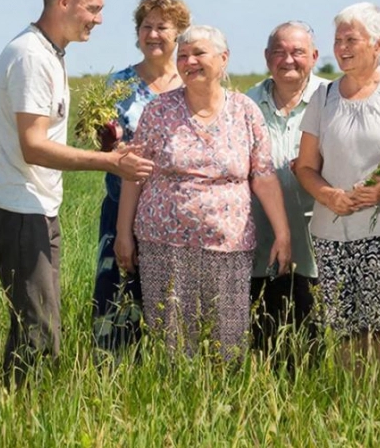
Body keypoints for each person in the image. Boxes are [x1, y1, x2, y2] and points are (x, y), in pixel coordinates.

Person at [0, 0, 154, 385]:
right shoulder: (32, 57)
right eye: (93, 8)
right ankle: (24, 414)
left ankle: (21, 408)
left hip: (33, 205)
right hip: (20, 208)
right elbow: (34, 146)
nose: (99, 18)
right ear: (64, 1)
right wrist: (110, 162)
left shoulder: (49, 53)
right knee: (38, 332)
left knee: (39, 322)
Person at [115, 25, 293, 361]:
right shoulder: (158, 111)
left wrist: (282, 234)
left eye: (199, 53)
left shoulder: (245, 111)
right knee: (172, 344)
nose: (189, 61)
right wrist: (124, 233)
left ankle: (220, 407)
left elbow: (264, 177)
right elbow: (134, 176)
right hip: (163, 245)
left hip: (228, 245)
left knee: (225, 343)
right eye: (182, 55)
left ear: (223, 59)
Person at [295, 3, 380, 371]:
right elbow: (305, 166)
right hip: (332, 233)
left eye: (351, 39)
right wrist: (329, 196)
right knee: (342, 332)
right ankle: (350, 408)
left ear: (378, 44)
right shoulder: (322, 97)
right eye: (338, 40)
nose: (341, 47)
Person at [91, 0, 191, 356]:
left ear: (179, 32)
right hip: (123, 208)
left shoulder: (192, 83)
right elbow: (103, 144)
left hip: (178, 217)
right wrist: (109, 145)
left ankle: (172, 379)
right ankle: (114, 380)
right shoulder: (117, 85)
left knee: (176, 307)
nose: (153, 34)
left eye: (162, 27)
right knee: (119, 298)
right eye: (146, 26)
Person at [244, 21, 328, 361]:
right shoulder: (244, 104)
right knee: (263, 342)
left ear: (314, 56)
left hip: (318, 244)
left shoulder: (331, 99)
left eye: (297, 52)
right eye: (279, 52)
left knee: (316, 344)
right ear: (266, 57)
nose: (288, 60)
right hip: (258, 246)